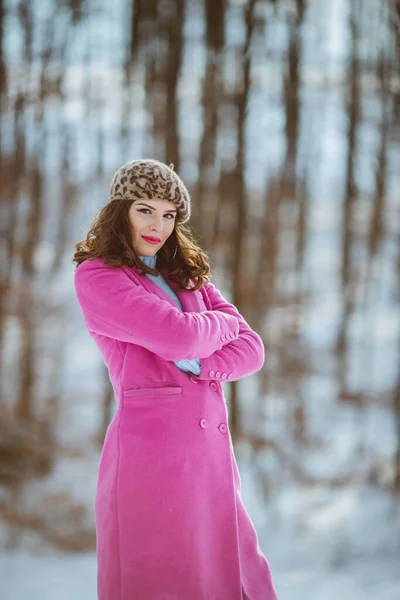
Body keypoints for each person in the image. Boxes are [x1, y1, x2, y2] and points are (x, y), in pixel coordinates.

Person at [73, 159, 278, 600]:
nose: (158, 225)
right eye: (145, 209)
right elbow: (177, 335)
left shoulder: (184, 275)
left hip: (212, 464)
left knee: (240, 581)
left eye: (169, 215)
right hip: (155, 461)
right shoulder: (99, 277)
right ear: (121, 210)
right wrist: (216, 327)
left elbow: (253, 349)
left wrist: (202, 362)